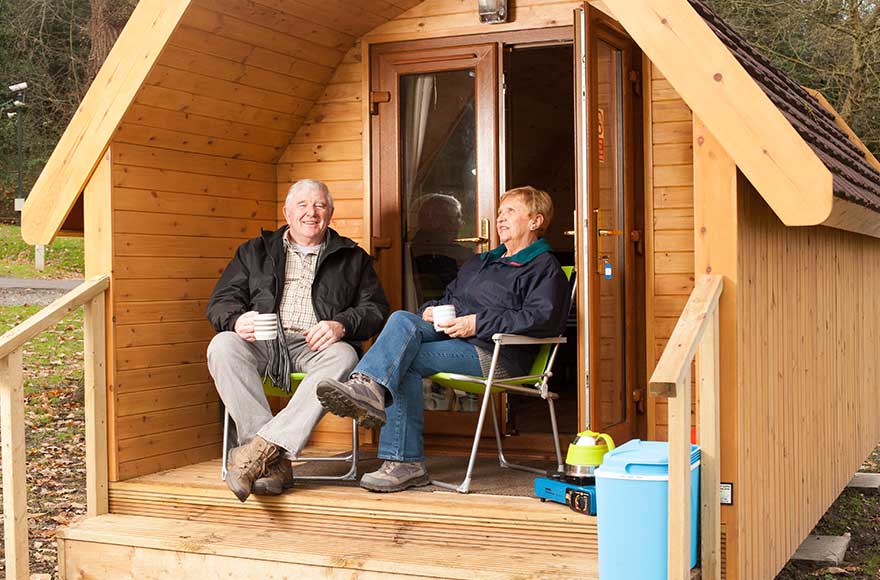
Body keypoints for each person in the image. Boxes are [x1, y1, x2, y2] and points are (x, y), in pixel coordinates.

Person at [317, 186, 571, 492]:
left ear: (535, 221)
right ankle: (369, 389)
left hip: (499, 353)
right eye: (500, 212)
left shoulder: (544, 268)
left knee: (405, 361)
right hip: (453, 336)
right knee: (402, 318)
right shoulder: (483, 262)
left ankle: (403, 459)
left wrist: (477, 324)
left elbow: (541, 319)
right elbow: (449, 298)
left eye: (511, 212)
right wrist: (430, 311)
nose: (501, 218)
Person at [206, 179, 390, 502]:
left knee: (345, 356)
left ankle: (259, 453)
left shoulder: (352, 257)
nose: (311, 212)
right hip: (264, 341)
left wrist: (341, 325)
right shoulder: (255, 251)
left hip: (316, 345)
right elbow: (220, 302)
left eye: (319, 205)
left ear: (330, 213)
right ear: (287, 213)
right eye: (302, 205)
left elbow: (376, 309)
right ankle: (273, 459)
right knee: (221, 346)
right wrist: (236, 320)